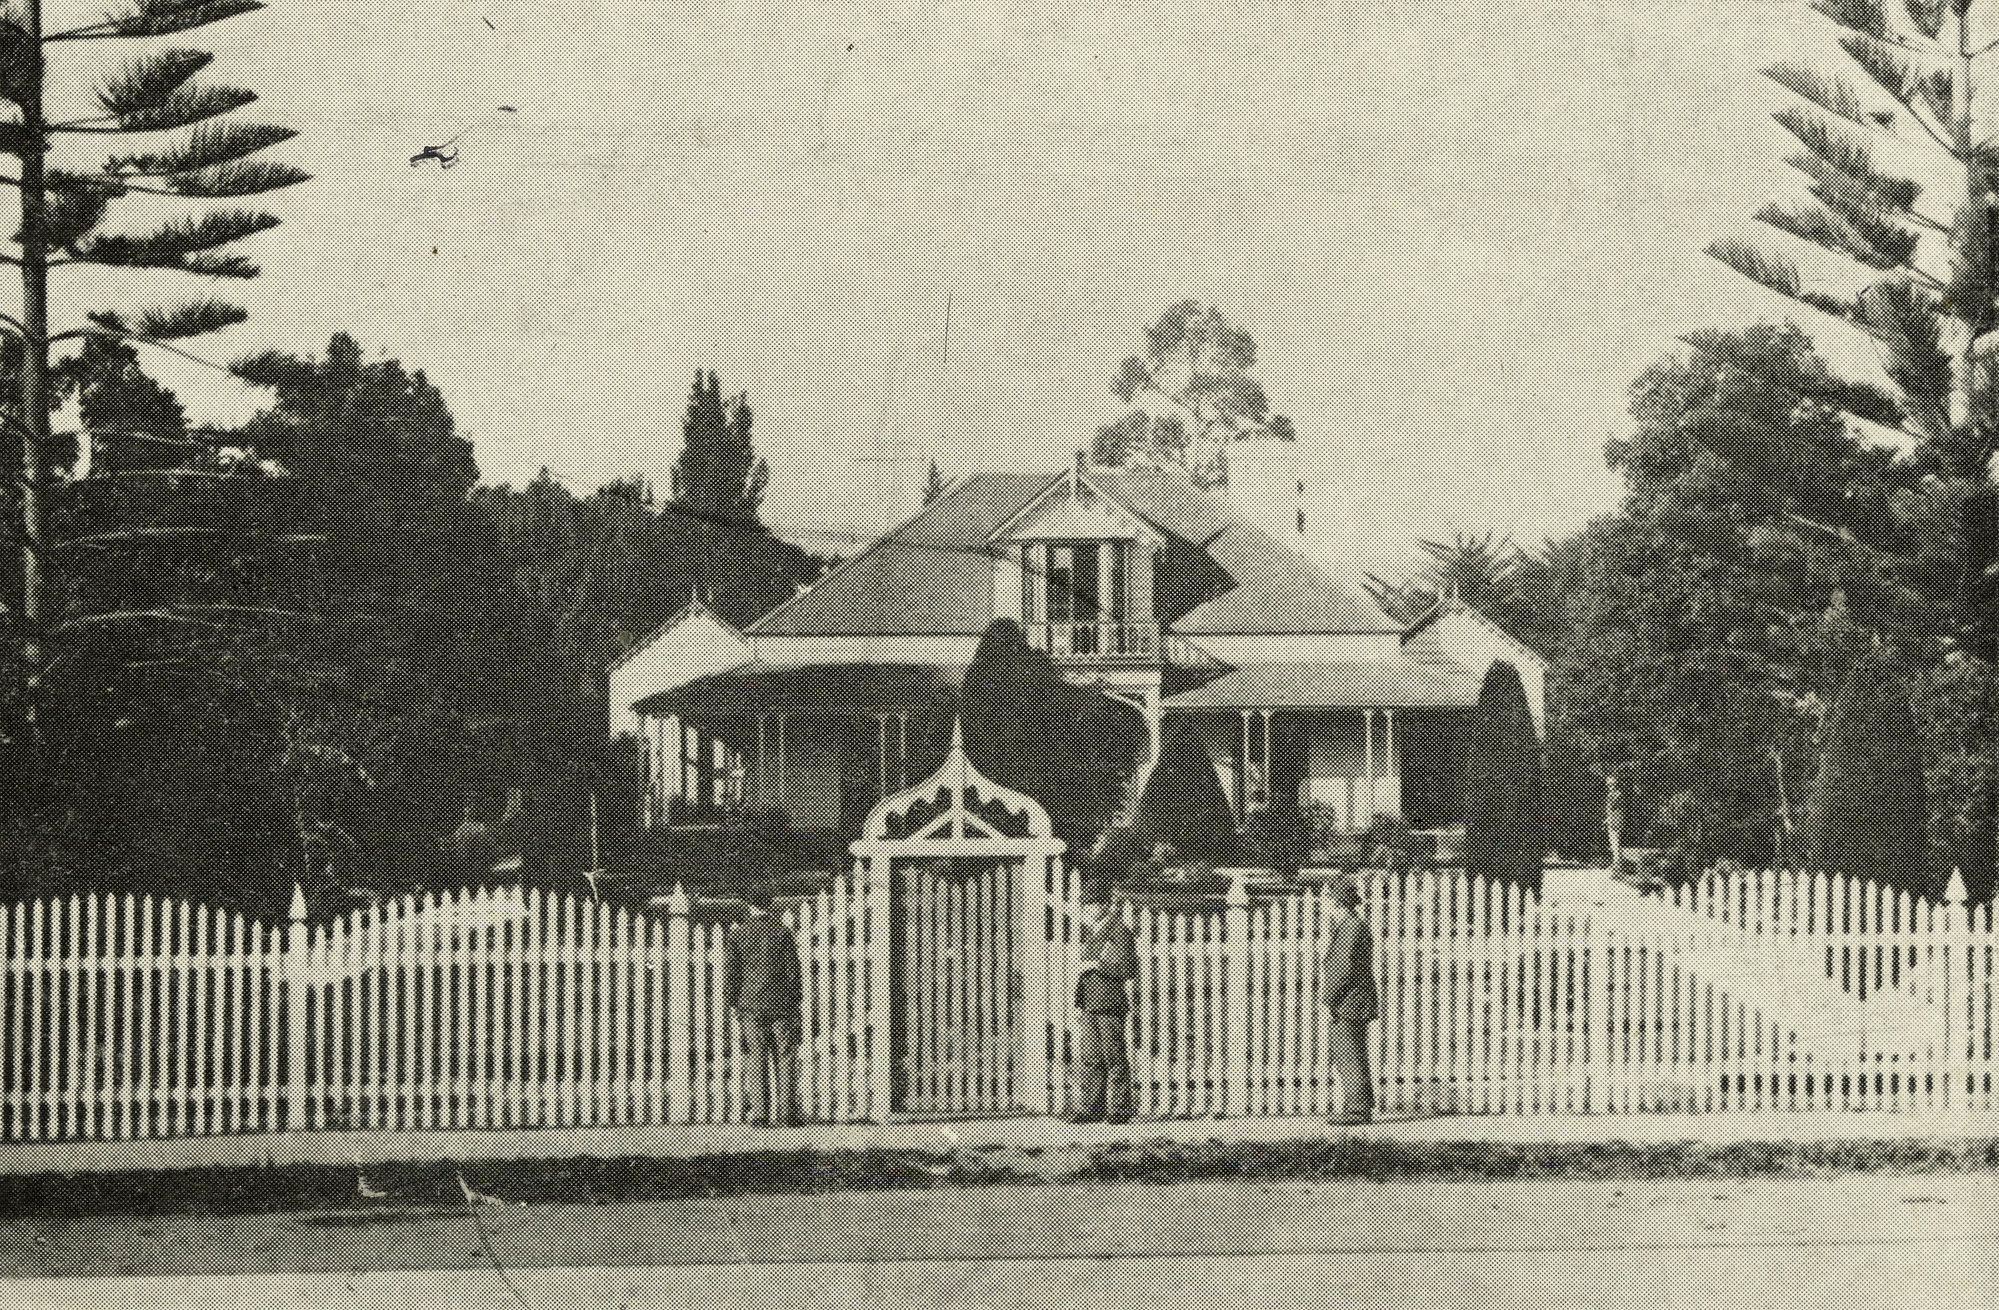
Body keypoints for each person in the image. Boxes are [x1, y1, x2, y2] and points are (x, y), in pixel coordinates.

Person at [723, 886, 804, 1126]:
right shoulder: (782, 932)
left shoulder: (738, 934)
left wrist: (732, 1002)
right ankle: (787, 1113)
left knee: (755, 1056)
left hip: (749, 1005)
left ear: (749, 905)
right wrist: (794, 1000)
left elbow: (732, 974)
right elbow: (793, 973)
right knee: (786, 1056)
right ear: (770, 904)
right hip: (781, 1004)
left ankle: (759, 1114)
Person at [1072, 880, 1139, 1125]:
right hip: (1090, 1002)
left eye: (1095, 904)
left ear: (1107, 905)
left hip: (1110, 1002)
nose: (1090, 908)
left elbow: (1129, 968)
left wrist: (1097, 965)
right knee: (1090, 1057)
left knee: (1114, 1057)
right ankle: (1091, 1109)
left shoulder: (1119, 930)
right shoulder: (1093, 931)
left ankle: (1119, 1110)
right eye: (1087, 904)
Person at [1321, 875, 1379, 1125]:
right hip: (1355, 999)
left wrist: (1328, 998)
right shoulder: (1355, 924)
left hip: (1348, 1000)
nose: (1325, 904)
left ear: (1337, 902)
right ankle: (1359, 1106)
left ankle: (1356, 1110)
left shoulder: (1350, 927)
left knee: (1348, 1053)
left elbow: (1344, 968)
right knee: (1355, 1053)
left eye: (1328, 899)